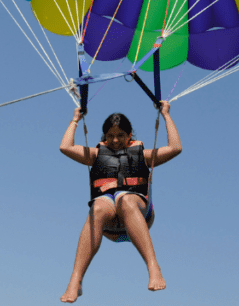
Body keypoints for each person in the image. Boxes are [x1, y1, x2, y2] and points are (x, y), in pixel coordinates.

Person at [58, 102, 182, 302]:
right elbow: (65, 147)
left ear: (130, 134)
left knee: (125, 199)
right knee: (98, 206)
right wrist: (75, 120)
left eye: (121, 135)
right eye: (110, 136)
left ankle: (153, 266)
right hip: (109, 225)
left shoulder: (142, 155)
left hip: (139, 213)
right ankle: (76, 280)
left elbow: (175, 148)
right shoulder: (97, 154)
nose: (115, 140)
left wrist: (166, 115)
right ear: (104, 137)